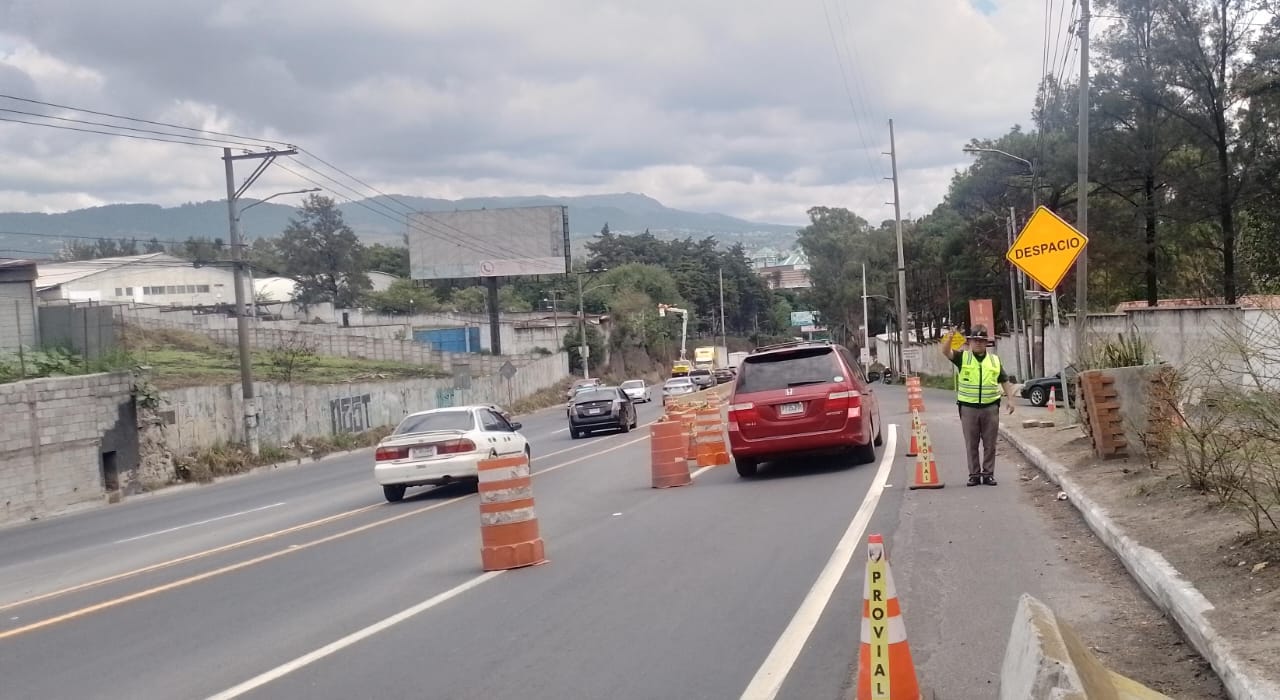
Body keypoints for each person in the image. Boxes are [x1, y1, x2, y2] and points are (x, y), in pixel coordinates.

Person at [941, 325, 1015, 486]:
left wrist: (1011, 399)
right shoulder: (963, 357)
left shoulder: (994, 360)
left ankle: (988, 474)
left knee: (990, 444)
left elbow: (1004, 380)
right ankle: (974, 474)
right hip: (968, 408)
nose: (978, 343)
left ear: (986, 342)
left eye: (981, 340)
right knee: (971, 443)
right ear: (970, 341)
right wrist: (950, 337)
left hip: (990, 408)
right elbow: (946, 352)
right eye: (975, 340)